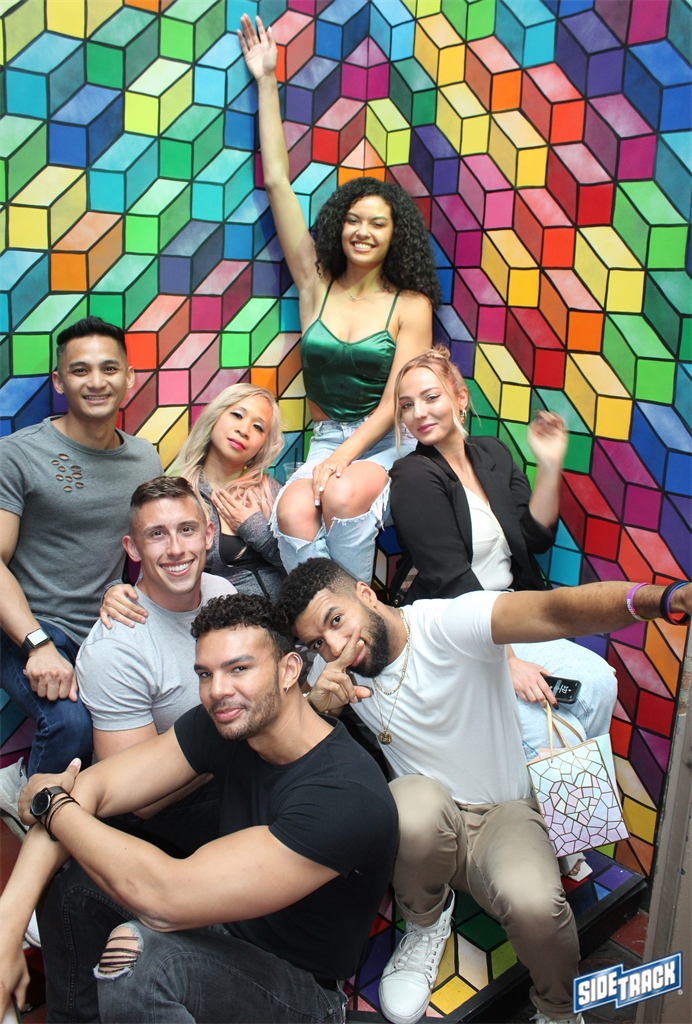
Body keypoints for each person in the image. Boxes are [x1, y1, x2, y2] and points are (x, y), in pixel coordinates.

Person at [278, 558, 691, 1024]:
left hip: (505, 817)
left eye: (336, 620)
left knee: (536, 907)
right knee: (407, 803)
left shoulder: (447, 623)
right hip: (430, 833)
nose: (334, 647)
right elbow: (288, 748)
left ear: (365, 594)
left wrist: (667, 598)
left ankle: (558, 1010)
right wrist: (318, 711)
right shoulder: (334, 671)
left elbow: (556, 611)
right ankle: (427, 923)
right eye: (317, 641)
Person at [0, 594, 399, 1024]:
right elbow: (93, 788)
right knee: (77, 885)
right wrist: (8, 925)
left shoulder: (345, 793)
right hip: (220, 931)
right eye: (205, 674)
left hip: (301, 991)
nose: (218, 690)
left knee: (142, 961)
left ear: (289, 670)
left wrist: (51, 805)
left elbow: (164, 898)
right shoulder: (227, 722)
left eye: (239, 669)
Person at [238, 14, 440, 585]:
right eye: (353, 219)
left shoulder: (410, 305)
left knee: (343, 495)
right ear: (339, 225)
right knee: (293, 512)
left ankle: (359, 622)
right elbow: (277, 183)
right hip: (325, 437)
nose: (363, 231)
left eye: (378, 223)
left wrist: (342, 458)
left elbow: (395, 404)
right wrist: (267, 80)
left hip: (384, 445)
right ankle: (325, 625)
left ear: (395, 235)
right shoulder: (315, 282)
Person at [389, 348, 617, 788]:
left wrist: (549, 464)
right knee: (553, 733)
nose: (419, 413)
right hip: (458, 629)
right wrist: (506, 661)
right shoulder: (412, 476)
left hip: (512, 613)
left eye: (431, 397)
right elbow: (449, 579)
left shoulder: (491, 452)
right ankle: (549, 824)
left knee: (599, 684)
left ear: (460, 397)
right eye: (407, 405)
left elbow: (535, 539)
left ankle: (558, 820)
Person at [0, 317, 162, 796]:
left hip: (103, 629)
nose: (96, 382)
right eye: (80, 370)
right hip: (27, 627)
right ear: (59, 381)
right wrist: (37, 645)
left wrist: (124, 592)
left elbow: (150, 548)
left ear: (129, 377)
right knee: (71, 726)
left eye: (109, 369)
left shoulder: (145, 458)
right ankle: (30, 803)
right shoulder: (18, 454)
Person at [77, 476, 237, 857]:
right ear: (132, 549)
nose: (176, 549)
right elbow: (140, 798)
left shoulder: (222, 593)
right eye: (157, 535)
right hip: (156, 823)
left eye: (187, 530)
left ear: (208, 535)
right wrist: (237, 740)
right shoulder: (114, 649)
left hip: (229, 775)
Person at [100, 384, 285, 631]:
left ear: (264, 443)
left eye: (258, 427)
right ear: (215, 416)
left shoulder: (273, 493)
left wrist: (256, 530)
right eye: (237, 415)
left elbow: (303, 567)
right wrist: (114, 591)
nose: (244, 430)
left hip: (287, 630)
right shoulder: (178, 494)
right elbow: (155, 570)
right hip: (218, 635)